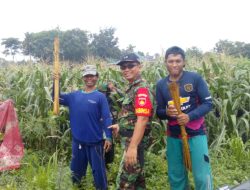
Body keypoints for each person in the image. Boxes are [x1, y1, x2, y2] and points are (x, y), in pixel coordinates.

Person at [156, 46, 213, 190]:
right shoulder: (161, 84)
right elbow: (159, 112)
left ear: (184, 62)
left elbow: (208, 103)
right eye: (171, 61)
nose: (174, 64)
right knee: (176, 176)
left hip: (196, 133)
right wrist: (167, 112)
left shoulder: (195, 79)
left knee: (202, 176)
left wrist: (189, 116)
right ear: (165, 63)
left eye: (178, 61)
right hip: (174, 136)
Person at [53, 65, 112, 190]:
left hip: (95, 143)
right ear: (83, 78)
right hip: (78, 143)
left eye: (92, 76)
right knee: (76, 174)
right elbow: (56, 97)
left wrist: (109, 137)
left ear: (96, 77)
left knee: (99, 174)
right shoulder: (74, 96)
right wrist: (55, 81)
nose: (89, 78)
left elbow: (107, 117)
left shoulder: (100, 97)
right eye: (86, 76)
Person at [109, 53, 154, 189]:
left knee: (125, 184)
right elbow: (133, 116)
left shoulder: (141, 89)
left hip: (135, 144)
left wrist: (133, 147)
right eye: (123, 67)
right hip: (131, 142)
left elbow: (143, 118)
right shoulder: (132, 88)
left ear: (139, 66)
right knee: (138, 183)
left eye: (130, 66)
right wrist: (120, 125)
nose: (126, 69)